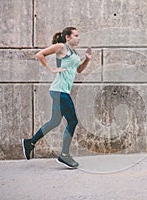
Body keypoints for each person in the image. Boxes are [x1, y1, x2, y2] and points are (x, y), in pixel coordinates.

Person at [22, 27, 91, 168]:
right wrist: (52, 69)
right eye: (76, 35)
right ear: (67, 37)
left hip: (60, 91)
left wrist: (87, 60)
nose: (79, 38)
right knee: (73, 121)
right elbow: (39, 55)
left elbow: (78, 70)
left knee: (54, 121)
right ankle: (64, 155)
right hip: (60, 91)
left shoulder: (74, 52)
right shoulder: (61, 47)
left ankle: (30, 142)